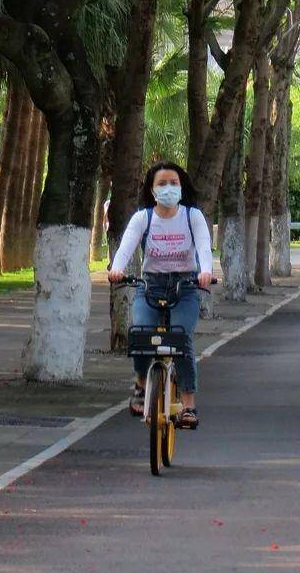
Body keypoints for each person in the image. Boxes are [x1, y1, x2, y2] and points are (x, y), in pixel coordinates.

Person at [108, 161, 213, 430]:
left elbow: (203, 247)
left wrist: (206, 272)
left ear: (182, 187)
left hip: (186, 286)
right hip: (150, 285)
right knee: (141, 332)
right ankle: (142, 385)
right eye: (162, 184)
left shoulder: (192, 216)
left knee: (181, 339)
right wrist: (117, 269)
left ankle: (188, 405)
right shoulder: (144, 218)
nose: (168, 188)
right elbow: (127, 245)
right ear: (152, 190)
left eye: (174, 183)